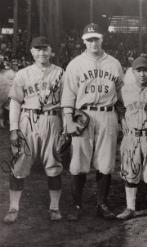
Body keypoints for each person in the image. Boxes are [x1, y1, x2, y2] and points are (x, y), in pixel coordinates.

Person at [61, 23, 124, 221]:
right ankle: (76, 205)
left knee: (105, 162)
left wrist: (124, 118)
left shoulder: (114, 63)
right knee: (79, 160)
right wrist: (67, 119)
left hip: (108, 114)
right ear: (83, 41)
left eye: (96, 38)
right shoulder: (75, 64)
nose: (93, 42)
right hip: (83, 116)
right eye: (89, 39)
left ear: (102, 39)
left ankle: (102, 204)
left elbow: (122, 92)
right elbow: (68, 94)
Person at [3, 36, 64, 223]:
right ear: (31, 52)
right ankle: (13, 207)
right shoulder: (23, 73)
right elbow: (14, 102)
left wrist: (65, 130)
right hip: (27, 120)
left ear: (51, 50)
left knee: (54, 165)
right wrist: (13, 128)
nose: (42, 52)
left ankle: (54, 207)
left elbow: (66, 103)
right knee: (19, 164)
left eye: (45, 49)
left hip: (52, 119)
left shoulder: (60, 72)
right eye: (38, 49)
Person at [116, 55, 147, 221]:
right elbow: (119, 109)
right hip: (132, 136)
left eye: (145, 70)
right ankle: (130, 207)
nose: (142, 74)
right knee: (130, 172)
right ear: (133, 71)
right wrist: (123, 122)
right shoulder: (124, 90)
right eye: (139, 70)